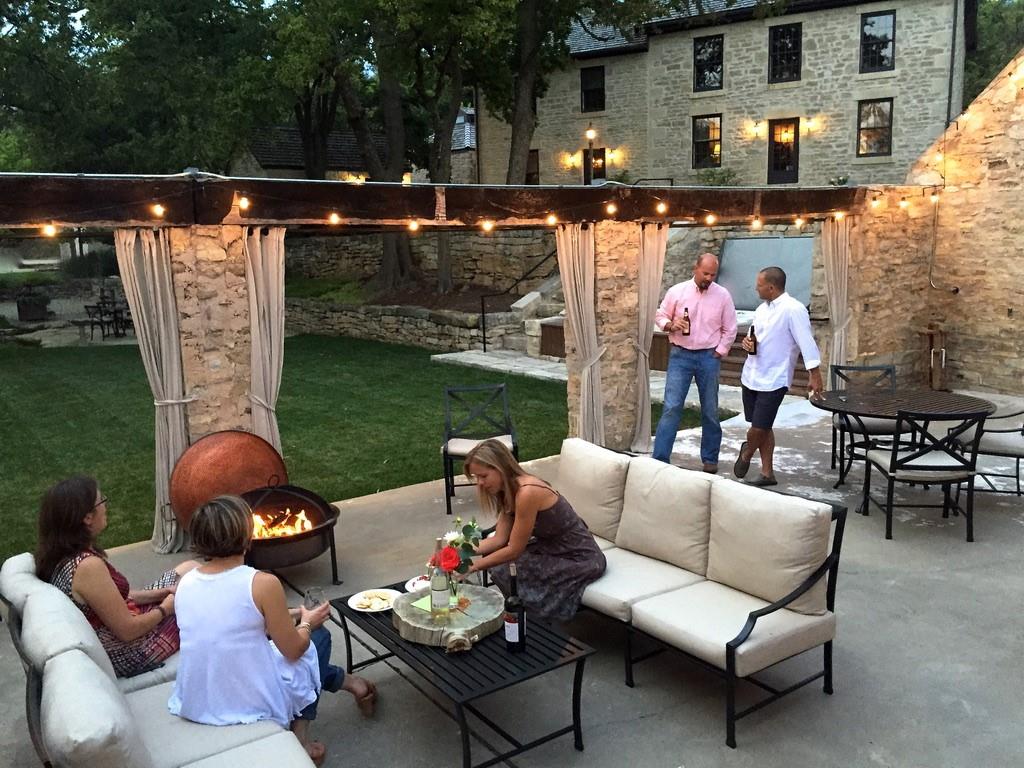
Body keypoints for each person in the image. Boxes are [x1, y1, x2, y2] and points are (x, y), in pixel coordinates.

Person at [168, 495, 376, 766]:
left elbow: (234, 624)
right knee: (318, 640)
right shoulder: (262, 583)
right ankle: (301, 737)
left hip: (199, 697)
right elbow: (294, 651)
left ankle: (352, 684)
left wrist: (293, 613)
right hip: (246, 702)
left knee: (296, 651)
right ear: (246, 533)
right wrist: (308, 623)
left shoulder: (186, 582)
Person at [35, 475, 200, 678]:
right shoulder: (87, 567)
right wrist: (166, 608)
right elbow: (127, 631)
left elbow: (112, 600)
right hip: (128, 651)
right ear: (87, 517)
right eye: (101, 501)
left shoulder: (62, 555)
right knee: (199, 600)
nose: (106, 506)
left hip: (120, 624)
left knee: (189, 568)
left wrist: (162, 593)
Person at [463, 439, 606, 621]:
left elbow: (514, 550)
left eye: (483, 476)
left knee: (504, 567)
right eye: (476, 478)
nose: (480, 483)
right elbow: (499, 540)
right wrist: (457, 552)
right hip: (551, 549)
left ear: (500, 468)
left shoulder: (527, 492)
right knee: (500, 564)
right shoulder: (507, 492)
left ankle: (528, 619)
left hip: (580, 557)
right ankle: (521, 617)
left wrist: (473, 566)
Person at [734, 266, 824, 486]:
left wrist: (814, 374)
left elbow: (806, 342)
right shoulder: (760, 310)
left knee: (759, 427)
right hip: (752, 374)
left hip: (775, 378)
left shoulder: (793, 309)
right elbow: (754, 336)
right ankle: (767, 473)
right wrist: (748, 343)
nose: (756, 289)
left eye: (759, 285)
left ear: (771, 288)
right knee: (762, 426)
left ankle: (747, 451)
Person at [652, 253, 738, 472]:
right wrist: (670, 325)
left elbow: (730, 328)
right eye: (705, 273)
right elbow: (660, 315)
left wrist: (720, 351)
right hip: (680, 355)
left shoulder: (722, 296)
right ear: (695, 269)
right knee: (672, 407)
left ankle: (710, 458)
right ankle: (660, 459)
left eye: (712, 275)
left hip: (708, 356)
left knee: (710, 408)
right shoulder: (677, 291)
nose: (708, 278)